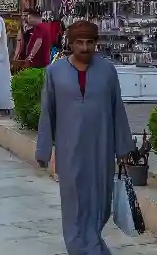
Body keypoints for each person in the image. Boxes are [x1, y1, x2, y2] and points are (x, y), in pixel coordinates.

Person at [35, 19, 133, 255]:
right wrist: (43, 150)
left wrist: (123, 148)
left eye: (90, 42)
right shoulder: (55, 72)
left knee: (99, 203)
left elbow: (116, 108)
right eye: (79, 42)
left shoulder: (107, 71)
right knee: (74, 203)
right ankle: (82, 248)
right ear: (70, 43)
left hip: (102, 147)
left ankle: (90, 244)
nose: (85, 48)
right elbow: (48, 113)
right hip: (69, 150)